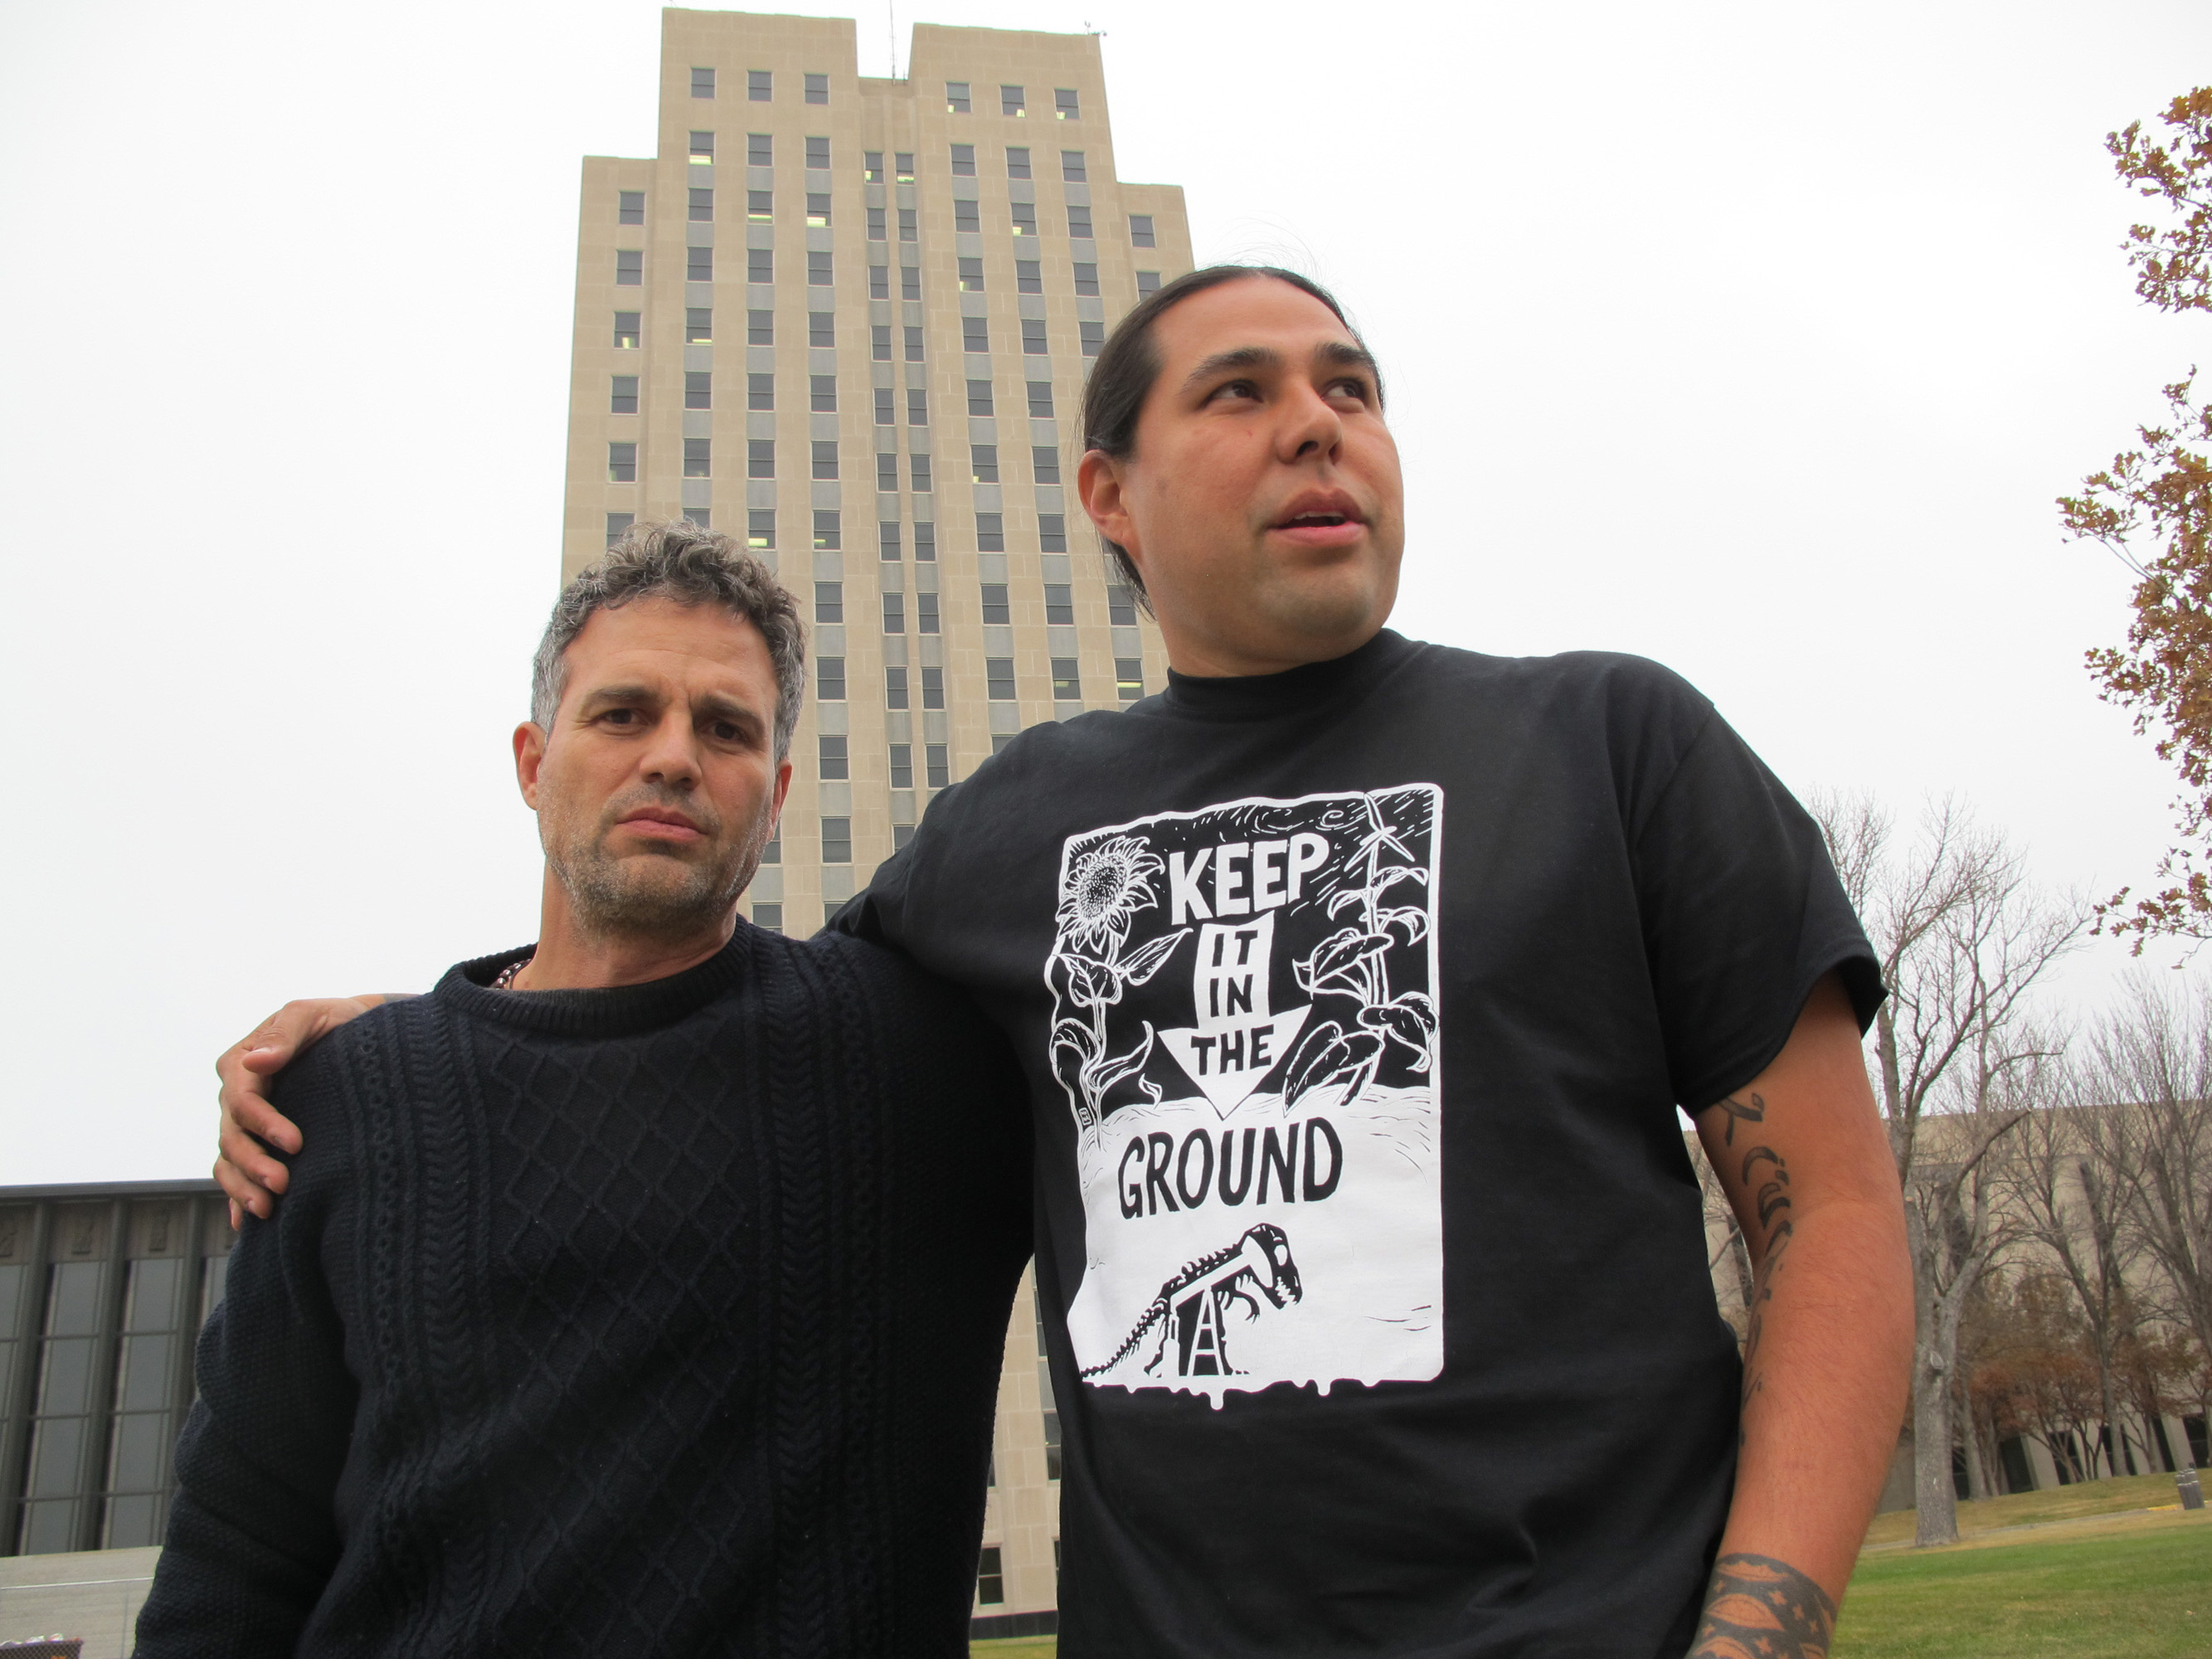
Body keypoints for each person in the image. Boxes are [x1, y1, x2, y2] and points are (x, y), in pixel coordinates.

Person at [216, 266, 1913, 1659]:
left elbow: (1829, 1212)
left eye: (1350, 385)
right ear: (1108, 493)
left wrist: (1756, 1634)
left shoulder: (1611, 743)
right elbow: (713, 1011)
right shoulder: (1008, 830)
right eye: (1238, 392)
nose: (1314, 421)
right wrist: (424, 1041)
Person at [151, 532, 1029, 1657]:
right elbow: (237, 1545)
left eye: (726, 728)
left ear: (777, 795)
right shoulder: (340, 1100)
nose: (673, 757)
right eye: (623, 714)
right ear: (532, 761)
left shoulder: (914, 1056)